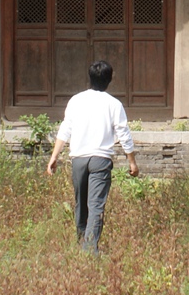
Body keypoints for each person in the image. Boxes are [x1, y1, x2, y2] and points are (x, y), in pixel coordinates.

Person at [46, 60, 138, 253]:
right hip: (101, 160)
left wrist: (54, 156)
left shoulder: (76, 100)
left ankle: (84, 243)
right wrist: (132, 162)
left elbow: (65, 129)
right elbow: (123, 134)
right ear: (109, 80)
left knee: (81, 203)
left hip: (78, 158)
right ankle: (88, 249)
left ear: (89, 78)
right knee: (96, 205)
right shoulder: (114, 104)